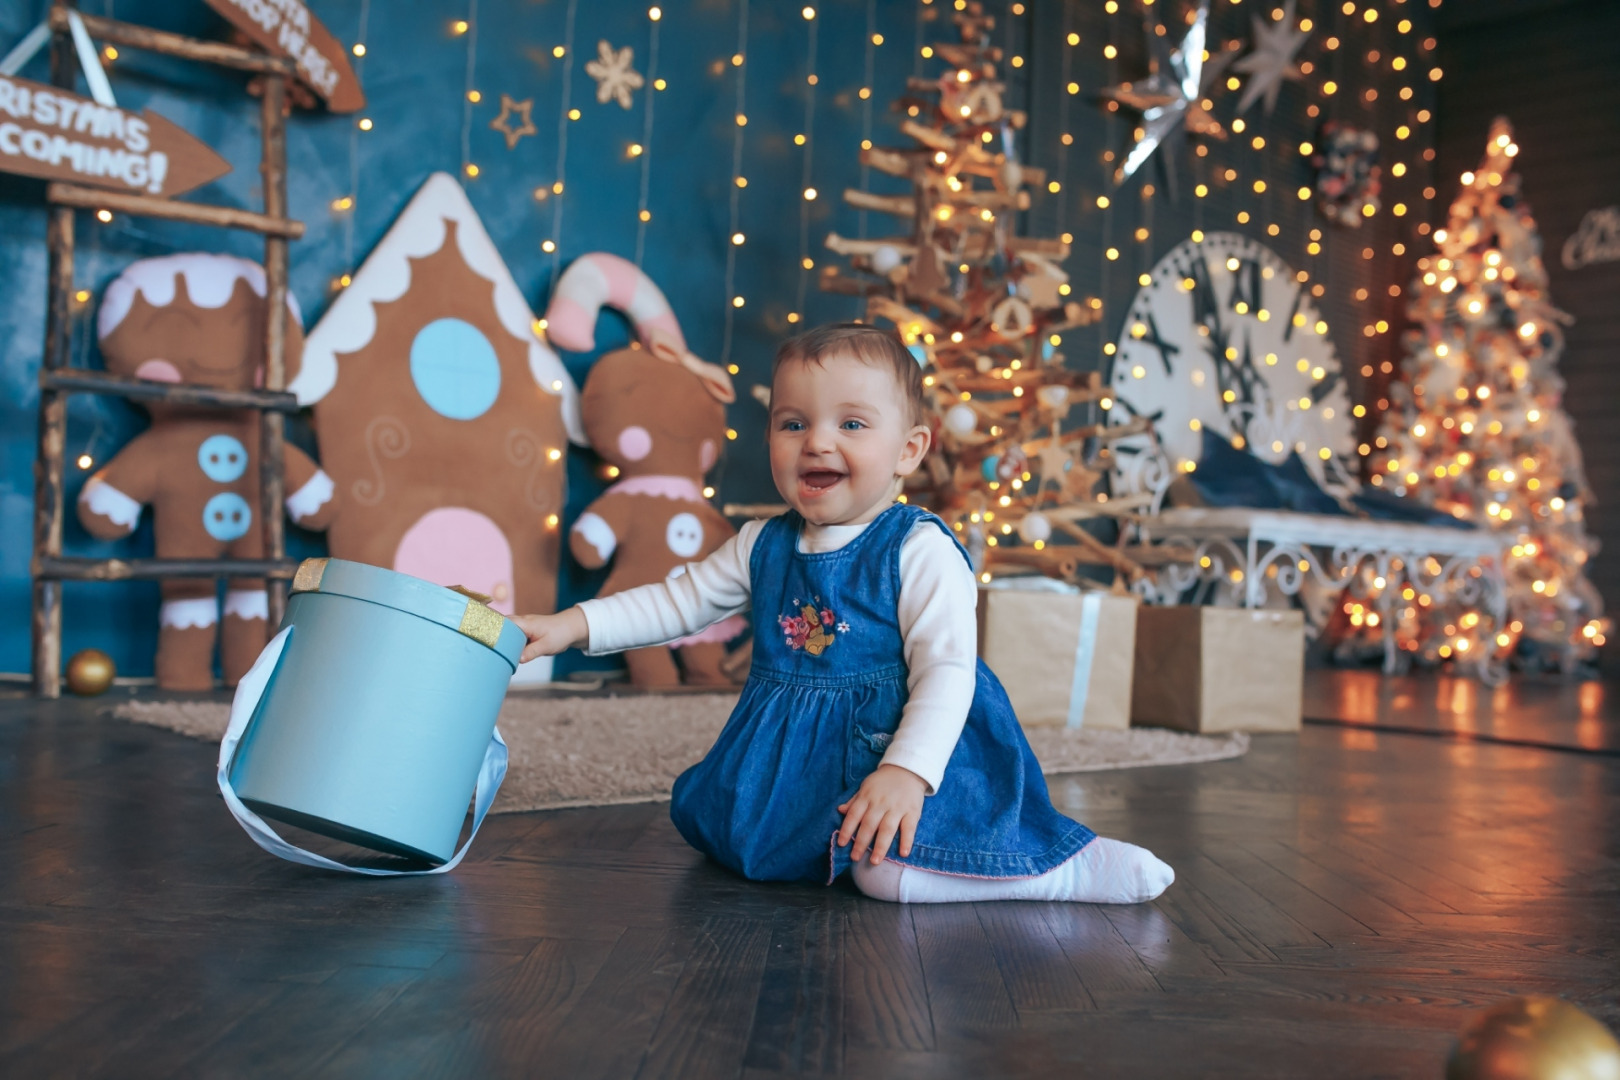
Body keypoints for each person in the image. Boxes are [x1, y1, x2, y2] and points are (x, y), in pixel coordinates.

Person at [513, 323, 1173, 904]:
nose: (816, 443)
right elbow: (675, 602)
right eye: (793, 423)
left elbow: (948, 669)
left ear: (910, 450)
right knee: (723, 829)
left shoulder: (916, 549)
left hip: (903, 744)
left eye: (851, 424)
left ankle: (1054, 872)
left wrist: (905, 774)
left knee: (882, 869)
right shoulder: (763, 544)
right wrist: (571, 625)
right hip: (797, 746)